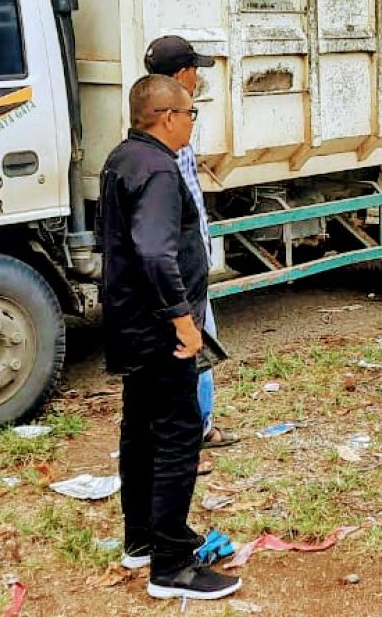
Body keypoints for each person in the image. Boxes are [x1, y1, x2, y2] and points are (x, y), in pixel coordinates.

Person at [98, 74, 242, 601]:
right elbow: (157, 252)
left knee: (140, 429)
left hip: (131, 321)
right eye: (190, 115)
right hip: (162, 329)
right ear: (165, 116)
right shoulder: (159, 169)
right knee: (179, 433)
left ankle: (142, 538)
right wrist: (184, 320)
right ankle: (172, 565)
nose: (191, 123)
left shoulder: (123, 157)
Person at [143, 36, 239, 453]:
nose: (198, 79)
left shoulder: (148, 123)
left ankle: (184, 424)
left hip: (176, 259)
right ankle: (196, 428)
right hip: (184, 262)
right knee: (196, 342)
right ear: (182, 74)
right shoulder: (172, 133)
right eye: (195, 70)